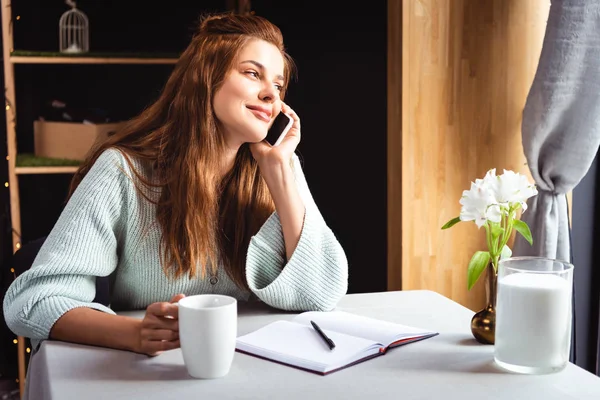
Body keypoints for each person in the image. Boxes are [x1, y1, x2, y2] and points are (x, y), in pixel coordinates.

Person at [3, 12, 348, 356]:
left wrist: (278, 170)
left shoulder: (278, 166)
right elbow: (33, 301)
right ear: (206, 78)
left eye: (278, 84)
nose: (271, 96)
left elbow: (318, 294)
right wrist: (136, 334)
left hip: (249, 370)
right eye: (252, 73)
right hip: (151, 375)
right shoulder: (123, 170)